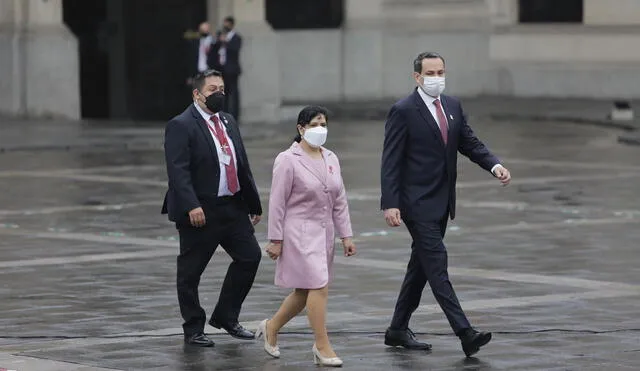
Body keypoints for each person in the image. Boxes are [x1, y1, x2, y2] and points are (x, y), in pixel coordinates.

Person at [380, 52, 512, 357]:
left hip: (442, 202)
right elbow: (390, 161)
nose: (436, 78)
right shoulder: (403, 110)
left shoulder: (452, 105)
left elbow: (469, 142)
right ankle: (465, 333)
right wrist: (390, 203)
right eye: (430, 73)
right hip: (415, 203)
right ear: (417, 77)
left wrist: (495, 166)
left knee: (421, 267)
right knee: (437, 264)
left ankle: (397, 329)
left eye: (440, 72)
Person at [162, 69, 263, 347]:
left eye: (221, 89)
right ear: (197, 94)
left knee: (250, 257)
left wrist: (253, 203)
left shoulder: (228, 121)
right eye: (212, 90)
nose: (218, 94)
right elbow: (178, 171)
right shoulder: (181, 125)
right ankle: (194, 327)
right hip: (200, 211)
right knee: (191, 272)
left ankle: (226, 317)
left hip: (232, 207)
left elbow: (242, 165)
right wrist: (191, 205)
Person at [255, 106, 356, 367]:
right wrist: (275, 239)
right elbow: (277, 202)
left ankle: (271, 326)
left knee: (304, 291)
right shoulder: (288, 159)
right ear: (301, 128)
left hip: (324, 234)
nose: (320, 129)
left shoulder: (331, 157)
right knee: (319, 286)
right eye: (314, 124)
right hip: (298, 233)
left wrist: (346, 235)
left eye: (323, 123)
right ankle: (322, 345)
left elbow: (339, 200)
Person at [208, 16, 242, 122]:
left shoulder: (236, 38)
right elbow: (213, 48)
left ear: (231, 25)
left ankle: (235, 116)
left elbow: (234, 50)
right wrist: (219, 40)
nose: (225, 26)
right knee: (222, 94)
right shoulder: (220, 36)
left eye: (227, 24)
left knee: (234, 93)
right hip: (221, 69)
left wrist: (225, 41)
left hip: (232, 70)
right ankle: (223, 114)